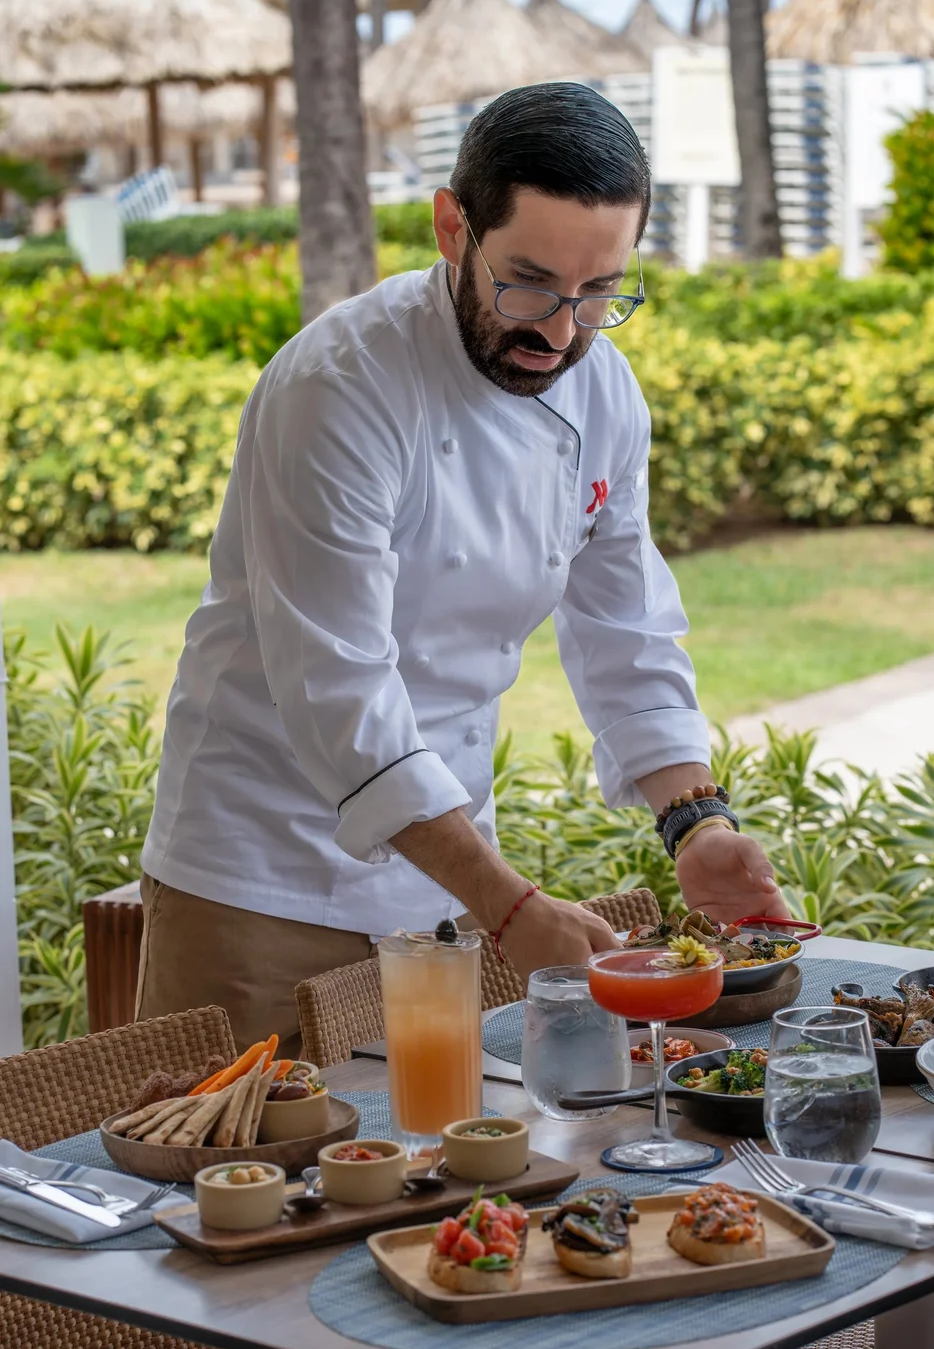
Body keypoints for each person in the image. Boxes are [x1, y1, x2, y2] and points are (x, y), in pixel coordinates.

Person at [137, 82, 787, 1053]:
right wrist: (510, 906)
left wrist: (696, 822)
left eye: (601, 292)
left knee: (434, 1176)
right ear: (452, 227)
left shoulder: (603, 393)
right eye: (527, 284)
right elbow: (340, 689)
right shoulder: (340, 388)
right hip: (260, 876)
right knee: (245, 1187)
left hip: (443, 882)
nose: (562, 334)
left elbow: (628, 634)